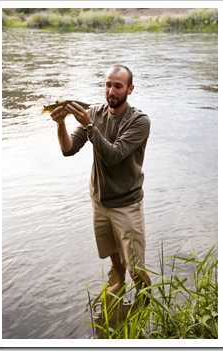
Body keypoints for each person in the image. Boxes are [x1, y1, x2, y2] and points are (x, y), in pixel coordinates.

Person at [51, 64, 151, 303]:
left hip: (127, 204)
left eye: (118, 86)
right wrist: (60, 123)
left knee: (135, 267)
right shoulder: (95, 113)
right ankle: (118, 286)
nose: (111, 91)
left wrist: (89, 126)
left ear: (130, 89)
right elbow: (68, 149)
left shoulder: (139, 121)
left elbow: (114, 156)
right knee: (114, 257)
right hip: (99, 201)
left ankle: (147, 303)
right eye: (108, 85)